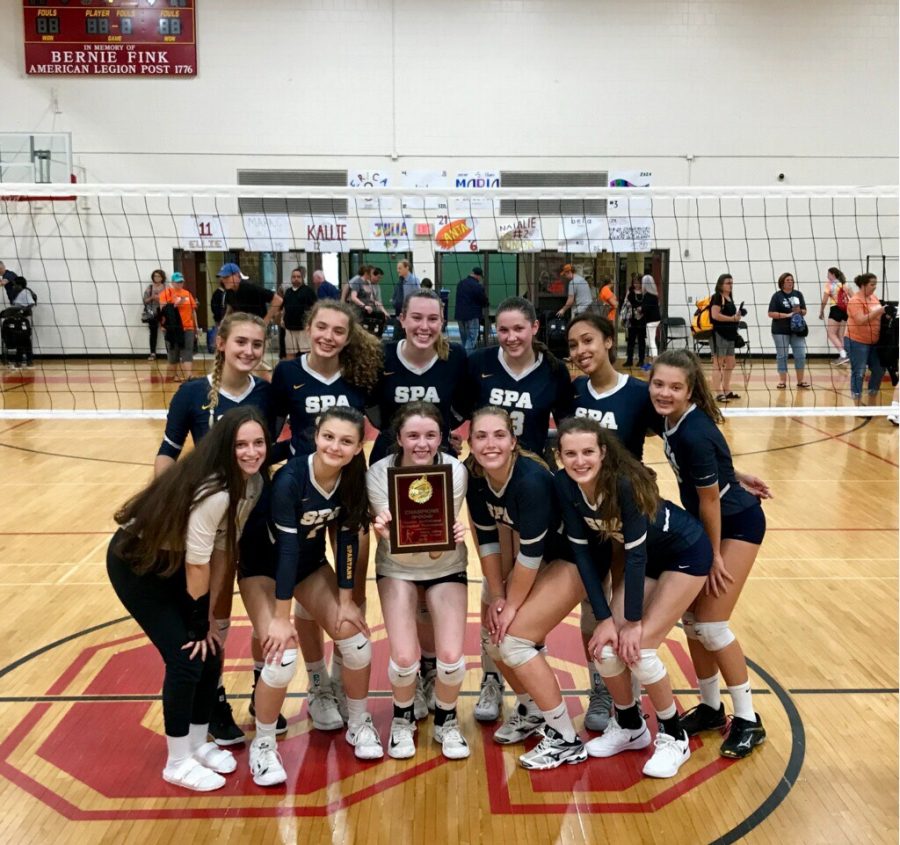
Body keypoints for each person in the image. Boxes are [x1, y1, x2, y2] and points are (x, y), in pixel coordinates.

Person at [106, 405, 269, 791]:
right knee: (185, 657)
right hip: (138, 564)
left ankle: (197, 745)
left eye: (258, 443)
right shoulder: (214, 491)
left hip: (177, 561)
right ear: (223, 448)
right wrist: (198, 621)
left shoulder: (253, 482)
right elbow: (198, 565)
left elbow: (223, 552)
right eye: (240, 445)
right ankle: (177, 761)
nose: (251, 452)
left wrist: (210, 616)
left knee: (211, 649)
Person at [153, 312, 287, 745]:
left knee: (263, 613)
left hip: (259, 515)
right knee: (215, 614)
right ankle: (213, 699)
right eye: (241, 342)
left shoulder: (268, 393)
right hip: (215, 526)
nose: (249, 351)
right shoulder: (194, 394)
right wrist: (164, 514)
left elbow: (275, 447)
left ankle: (260, 690)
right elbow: (167, 455)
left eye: (257, 344)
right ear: (221, 343)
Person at [556, 418, 710, 778]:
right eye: (571, 454)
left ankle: (675, 735)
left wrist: (634, 622)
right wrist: (606, 619)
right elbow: (582, 556)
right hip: (650, 561)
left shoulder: (622, 484)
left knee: (639, 650)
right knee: (605, 650)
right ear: (560, 456)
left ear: (603, 453)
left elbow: (636, 556)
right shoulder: (565, 485)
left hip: (685, 553)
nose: (580, 461)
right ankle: (630, 726)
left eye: (588, 452)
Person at [249, 407, 382, 781]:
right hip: (263, 568)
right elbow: (286, 552)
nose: (335, 447)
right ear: (315, 435)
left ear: (358, 448)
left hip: (308, 565)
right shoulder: (291, 479)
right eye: (329, 437)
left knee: (355, 641)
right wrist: (279, 617)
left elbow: (344, 538)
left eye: (346, 441)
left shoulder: (352, 477)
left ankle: (358, 721)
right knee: (281, 657)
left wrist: (344, 599)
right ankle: (263, 745)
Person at [648, 349, 769, 758]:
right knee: (691, 620)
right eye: (658, 384)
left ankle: (749, 719)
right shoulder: (672, 419)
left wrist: (713, 555)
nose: (664, 392)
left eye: (675, 387)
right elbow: (711, 469)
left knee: (713, 625)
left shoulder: (693, 431)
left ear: (690, 390)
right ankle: (712, 708)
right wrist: (736, 472)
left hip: (735, 524)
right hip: (710, 521)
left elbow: (710, 501)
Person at [270, 300, 382, 728]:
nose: (329, 337)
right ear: (308, 326)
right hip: (302, 490)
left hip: (347, 490)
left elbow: (383, 426)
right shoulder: (287, 374)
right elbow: (268, 429)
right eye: (322, 327)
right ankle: (318, 684)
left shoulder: (359, 375)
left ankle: (340, 676)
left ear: (348, 337)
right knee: (305, 577)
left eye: (339, 330)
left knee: (349, 587)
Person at [465, 406, 587, 768]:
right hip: (539, 561)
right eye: (481, 436)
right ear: (470, 444)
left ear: (513, 441)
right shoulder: (476, 479)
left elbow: (531, 554)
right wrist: (499, 598)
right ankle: (533, 710)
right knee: (493, 637)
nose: (490, 444)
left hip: (575, 559)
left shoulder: (531, 480)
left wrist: (510, 606)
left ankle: (565, 738)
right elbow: (487, 542)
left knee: (513, 639)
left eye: (499, 435)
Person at [367, 402, 471, 760]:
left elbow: (432, 547)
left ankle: (447, 719)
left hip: (445, 564)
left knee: (451, 657)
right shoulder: (379, 473)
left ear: (442, 437)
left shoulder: (454, 471)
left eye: (430, 435)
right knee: (405, 657)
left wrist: (451, 532)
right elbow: (395, 541)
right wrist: (384, 531)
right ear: (398, 438)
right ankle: (402, 718)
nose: (421, 443)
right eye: (413, 435)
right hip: (396, 566)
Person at [466, 296, 574, 459]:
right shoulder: (478, 362)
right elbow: (458, 410)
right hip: (485, 462)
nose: (511, 337)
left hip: (532, 466)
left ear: (534, 327)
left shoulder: (554, 370)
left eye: (518, 329)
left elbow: (567, 427)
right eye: (503, 330)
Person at [369, 289, 469, 464]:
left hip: (438, 453)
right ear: (402, 319)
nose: (424, 326)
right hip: (388, 454)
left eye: (432, 319)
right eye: (416, 317)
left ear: (442, 322)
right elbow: (371, 407)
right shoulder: (381, 356)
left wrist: (444, 428)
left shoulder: (455, 356)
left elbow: (463, 404)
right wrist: (390, 430)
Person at [845, 272, 886, 407]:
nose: (875, 287)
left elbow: (878, 317)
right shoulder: (855, 301)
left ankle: (872, 402)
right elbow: (861, 320)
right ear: (863, 285)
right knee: (859, 372)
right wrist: (879, 311)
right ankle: (857, 405)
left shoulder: (874, 298)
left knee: (879, 369)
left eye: (876, 284)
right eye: (872, 284)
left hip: (874, 342)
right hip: (856, 341)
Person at [767, 272, 809, 389]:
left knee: (800, 354)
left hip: (797, 330)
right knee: (782, 356)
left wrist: (798, 311)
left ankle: (800, 380)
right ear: (782, 283)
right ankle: (782, 381)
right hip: (780, 330)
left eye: (791, 280)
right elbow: (771, 313)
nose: (790, 282)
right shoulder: (777, 296)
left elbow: (805, 311)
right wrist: (787, 315)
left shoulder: (798, 294)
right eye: (787, 280)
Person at [709, 273, 746, 402]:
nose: (731, 285)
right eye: (728, 283)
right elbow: (715, 315)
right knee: (718, 364)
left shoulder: (729, 297)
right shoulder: (717, 297)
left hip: (730, 334)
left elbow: (730, 316)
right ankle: (718, 392)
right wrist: (732, 318)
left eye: (732, 283)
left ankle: (726, 389)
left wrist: (738, 315)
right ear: (720, 285)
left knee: (731, 363)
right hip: (719, 334)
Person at [159, 272, 199, 382]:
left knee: (187, 351)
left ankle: (189, 376)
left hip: (188, 327)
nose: (180, 283)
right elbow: (162, 311)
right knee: (173, 354)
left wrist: (196, 326)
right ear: (172, 282)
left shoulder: (187, 293)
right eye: (177, 282)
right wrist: (175, 304)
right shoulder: (165, 294)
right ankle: (172, 376)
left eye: (181, 281)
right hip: (172, 328)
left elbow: (193, 311)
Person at [281, 267, 317, 359]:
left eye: (298, 276)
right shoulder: (288, 292)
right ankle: (291, 372)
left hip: (303, 328)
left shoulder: (308, 291)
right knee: (290, 354)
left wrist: (312, 323)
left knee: (307, 354)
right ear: (291, 278)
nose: (296, 278)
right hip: (289, 329)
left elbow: (315, 308)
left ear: (302, 278)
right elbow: (285, 307)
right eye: (293, 277)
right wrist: (282, 319)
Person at [818, 266, 850, 365]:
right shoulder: (844, 284)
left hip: (835, 309)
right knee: (840, 334)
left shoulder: (830, 285)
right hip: (845, 310)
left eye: (828, 274)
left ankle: (843, 354)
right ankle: (843, 356)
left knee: (831, 334)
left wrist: (821, 311)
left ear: (833, 274)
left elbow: (824, 300)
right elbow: (852, 297)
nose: (827, 276)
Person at [455, 267, 489, 353]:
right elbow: (483, 300)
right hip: (472, 315)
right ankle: (467, 358)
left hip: (459, 315)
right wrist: (486, 303)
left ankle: (462, 355)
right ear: (478, 276)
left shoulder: (460, 283)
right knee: (472, 338)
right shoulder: (477, 286)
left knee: (464, 338)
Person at [143, 269, 166, 361]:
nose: (157, 278)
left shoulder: (166, 288)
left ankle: (170, 352)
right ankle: (152, 353)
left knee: (167, 332)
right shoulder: (150, 287)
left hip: (164, 312)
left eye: (159, 276)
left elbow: (169, 300)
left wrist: (160, 299)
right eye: (155, 276)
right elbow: (145, 300)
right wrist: (152, 297)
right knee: (153, 333)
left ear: (162, 278)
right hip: (152, 313)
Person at [623, 275, 646, 368]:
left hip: (642, 319)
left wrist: (642, 309)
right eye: (635, 283)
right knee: (631, 340)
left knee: (641, 341)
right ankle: (629, 360)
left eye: (638, 283)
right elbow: (626, 303)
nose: (636, 285)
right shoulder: (630, 292)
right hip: (632, 319)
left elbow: (648, 304)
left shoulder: (645, 292)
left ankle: (641, 360)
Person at [641, 275, 661, 369]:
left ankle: (654, 362)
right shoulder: (654, 295)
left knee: (651, 341)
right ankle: (650, 362)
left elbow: (645, 309)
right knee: (649, 340)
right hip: (655, 319)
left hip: (651, 321)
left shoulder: (647, 296)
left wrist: (640, 309)